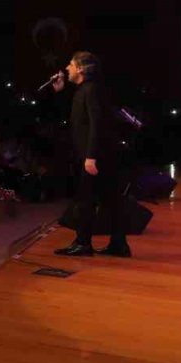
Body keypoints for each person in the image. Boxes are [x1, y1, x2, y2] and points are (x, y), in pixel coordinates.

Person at [52, 51, 130, 257]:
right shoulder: (87, 90)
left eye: (70, 64)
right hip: (99, 155)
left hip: (95, 156)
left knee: (85, 200)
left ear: (81, 68)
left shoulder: (91, 90)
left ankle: (83, 243)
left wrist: (91, 156)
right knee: (109, 200)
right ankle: (119, 245)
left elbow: (97, 124)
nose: (66, 68)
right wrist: (60, 90)